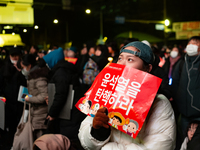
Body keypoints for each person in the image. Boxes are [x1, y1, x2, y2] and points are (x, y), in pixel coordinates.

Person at [78, 41, 176, 150]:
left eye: (130, 59)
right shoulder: (107, 94)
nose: (122, 64)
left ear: (148, 68)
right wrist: (98, 132)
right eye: (120, 59)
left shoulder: (160, 103)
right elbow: (85, 140)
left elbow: (161, 145)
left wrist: (108, 148)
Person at [41, 47, 86, 148]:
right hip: (71, 113)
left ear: (53, 61)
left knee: (69, 142)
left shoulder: (61, 72)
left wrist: (52, 113)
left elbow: (61, 94)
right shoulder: (65, 69)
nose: (47, 65)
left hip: (70, 115)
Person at [171, 36, 200, 145]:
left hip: (198, 114)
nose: (191, 45)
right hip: (183, 114)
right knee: (184, 140)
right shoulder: (182, 62)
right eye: (190, 43)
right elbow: (175, 83)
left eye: (196, 43)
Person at [0, 47, 26, 148]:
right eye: (13, 56)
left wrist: (21, 71)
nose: (15, 58)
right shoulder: (4, 68)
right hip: (8, 103)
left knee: (20, 126)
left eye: (17, 55)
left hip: (21, 102)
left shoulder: (24, 67)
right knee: (10, 127)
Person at [20, 54, 49, 140]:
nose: (23, 69)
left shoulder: (39, 77)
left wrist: (29, 98)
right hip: (36, 112)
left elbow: (44, 96)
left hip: (40, 113)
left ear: (29, 66)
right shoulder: (33, 76)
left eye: (24, 67)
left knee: (39, 140)